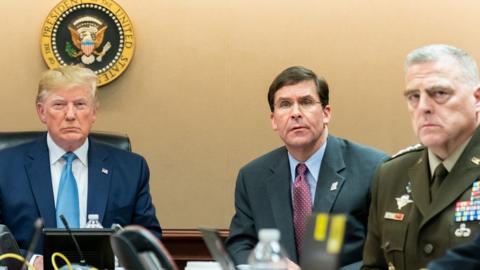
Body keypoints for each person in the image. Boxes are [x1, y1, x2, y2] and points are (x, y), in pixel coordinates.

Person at [225, 66, 387, 270]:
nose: (295, 113)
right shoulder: (253, 177)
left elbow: (384, 251)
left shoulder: (373, 168)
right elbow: (240, 245)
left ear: (326, 113)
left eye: (306, 102)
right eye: (285, 105)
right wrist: (272, 265)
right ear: (274, 120)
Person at [0, 65, 161, 268]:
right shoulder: (5, 167)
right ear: (42, 112)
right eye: (59, 105)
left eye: (80, 104)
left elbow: (148, 240)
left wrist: (114, 259)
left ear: (93, 112)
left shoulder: (130, 169)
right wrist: (31, 261)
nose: (70, 115)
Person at [362, 44, 480, 270]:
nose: (423, 107)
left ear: (477, 98)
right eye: (413, 97)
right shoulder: (391, 174)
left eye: (440, 93)